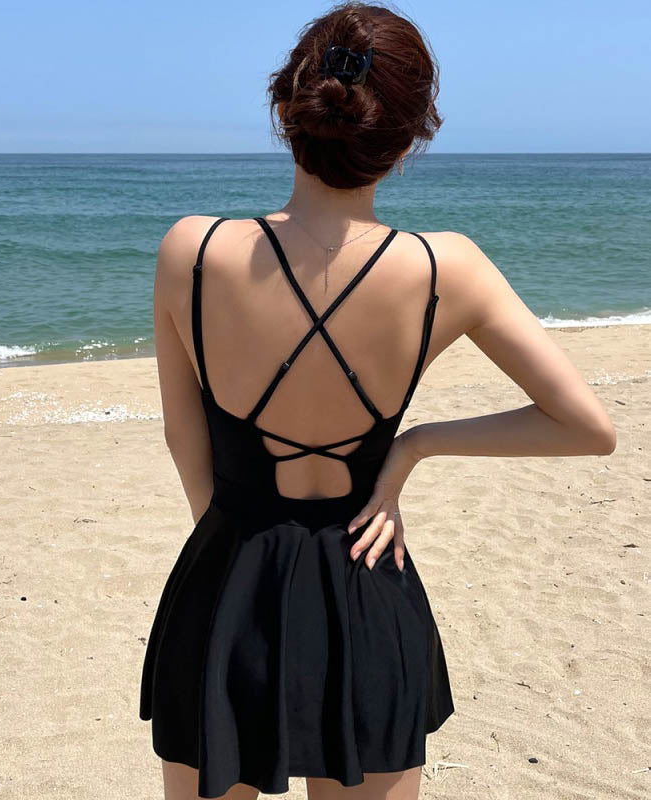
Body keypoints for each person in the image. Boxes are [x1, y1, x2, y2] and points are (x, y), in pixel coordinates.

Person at [139, 3, 617, 799]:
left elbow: (182, 436)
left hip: (225, 585)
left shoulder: (191, 250)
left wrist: (236, 548)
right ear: (409, 138)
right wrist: (414, 444)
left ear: (286, 108)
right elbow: (587, 427)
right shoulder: (445, 268)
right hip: (365, 582)